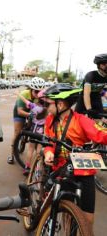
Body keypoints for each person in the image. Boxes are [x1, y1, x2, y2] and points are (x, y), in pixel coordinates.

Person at [42, 83, 107, 226]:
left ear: (60, 105)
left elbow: (101, 135)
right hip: (62, 169)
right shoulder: (49, 120)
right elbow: (48, 143)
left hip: (84, 170)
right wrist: (48, 153)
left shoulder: (81, 120)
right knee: (67, 213)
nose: (45, 107)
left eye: (48, 104)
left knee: (87, 220)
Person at [7, 77, 45, 164]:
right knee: (17, 133)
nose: (38, 93)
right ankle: (12, 155)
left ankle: (25, 138)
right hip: (20, 112)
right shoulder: (24, 94)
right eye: (36, 91)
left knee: (31, 128)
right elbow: (19, 112)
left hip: (33, 112)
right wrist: (32, 115)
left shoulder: (41, 96)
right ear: (31, 89)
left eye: (40, 91)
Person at [17, 89, 48, 175]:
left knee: (30, 149)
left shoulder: (34, 106)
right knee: (39, 152)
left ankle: (27, 167)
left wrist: (18, 94)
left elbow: (25, 100)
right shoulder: (48, 110)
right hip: (42, 131)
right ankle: (37, 170)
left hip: (33, 130)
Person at [75, 53, 107, 118]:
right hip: (83, 98)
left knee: (101, 118)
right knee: (78, 118)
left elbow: (105, 92)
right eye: (104, 64)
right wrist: (89, 109)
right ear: (98, 65)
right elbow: (86, 94)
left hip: (96, 97)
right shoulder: (91, 75)